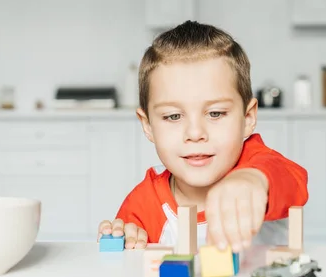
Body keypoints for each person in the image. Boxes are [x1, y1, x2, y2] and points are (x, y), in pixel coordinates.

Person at [98, 20, 308, 253]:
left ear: (248, 118)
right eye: (174, 116)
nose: (195, 133)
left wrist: (254, 181)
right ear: (147, 126)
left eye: (215, 113)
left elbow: (293, 181)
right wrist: (125, 238)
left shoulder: (259, 164)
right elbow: (126, 270)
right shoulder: (143, 203)